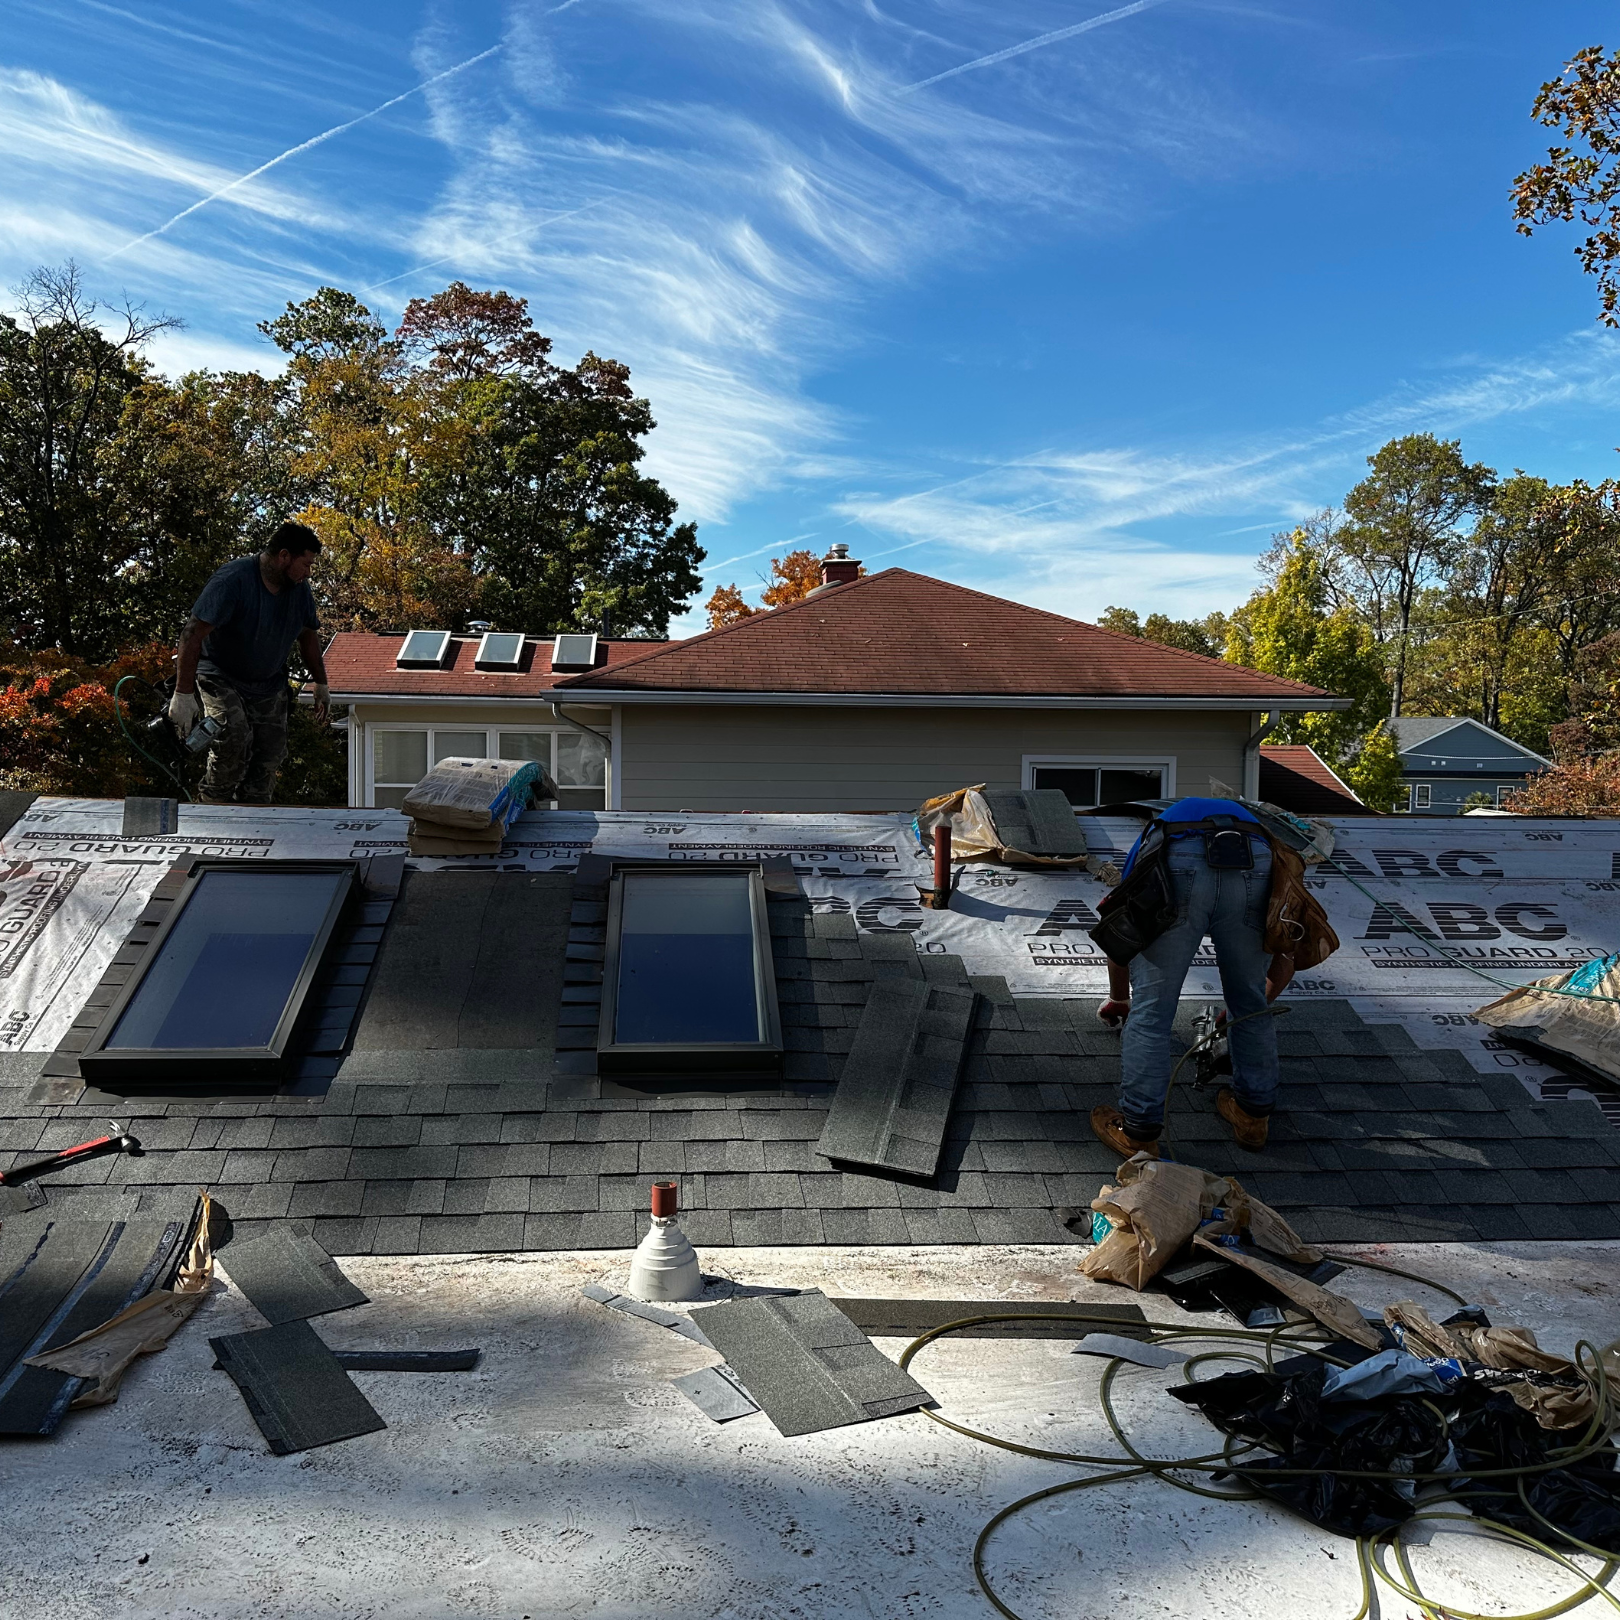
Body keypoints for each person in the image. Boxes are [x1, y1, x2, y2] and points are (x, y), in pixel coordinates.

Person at [1090, 796, 1301, 1158]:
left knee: (1152, 1013)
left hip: (1179, 855)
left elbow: (1122, 938)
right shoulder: (1260, 836)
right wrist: (1249, 1004)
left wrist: (1120, 999)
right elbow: (1285, 957)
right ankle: (1252, 1118)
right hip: (1257, 861)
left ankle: (1139, 1133)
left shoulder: (1152, 841)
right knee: (1248, 1003)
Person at [167, 522, 329, 804]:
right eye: (306, 564)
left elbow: (308, 636)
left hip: (267, 681)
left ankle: (254, 811)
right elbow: (191, 634)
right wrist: (182, 694)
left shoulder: (299, 592)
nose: (308, 573)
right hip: (220, 674)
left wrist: (321, 683)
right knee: (233, 736)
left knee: (271, 750)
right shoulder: (233, 580)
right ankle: (212, 804)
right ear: (284, 556)